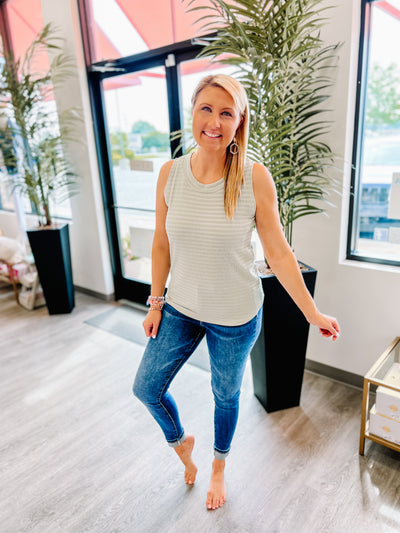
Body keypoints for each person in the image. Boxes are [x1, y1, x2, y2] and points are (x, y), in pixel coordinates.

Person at [133, 74, 340, 510]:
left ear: (239, 121)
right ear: (193, 112)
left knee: (224, 396)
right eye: (206, 109)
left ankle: (218, 466)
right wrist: (155, 303)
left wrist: (313, 313)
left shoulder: (253, 177)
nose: (214, 122)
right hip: (180, 307)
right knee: (146, 387)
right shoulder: (171, 173)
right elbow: (161, 243)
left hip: (234, 317)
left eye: (226, 113)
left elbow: (279, 254)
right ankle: (181, 442)